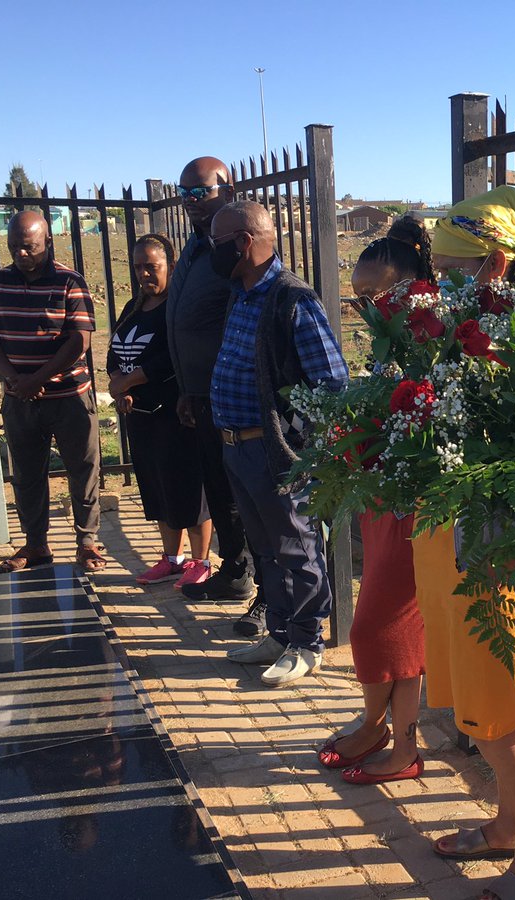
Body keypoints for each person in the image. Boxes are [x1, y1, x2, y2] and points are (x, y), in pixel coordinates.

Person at [416, 186, 515, 900]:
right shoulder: (450, 326)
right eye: (436, 265)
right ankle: (508, 824)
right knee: (475, 698)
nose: (439, 279)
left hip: (496, 544)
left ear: (496, 264)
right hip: (446, 532)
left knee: (503, 704)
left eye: (453, 267)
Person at [213, 200, 348, 686]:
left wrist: (299, 443)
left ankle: (307, 642)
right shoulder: (241, 292)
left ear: (245, 242)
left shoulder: (293, 299)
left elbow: (333, 383)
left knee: (296, 546)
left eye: (218, 242)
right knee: (265, 546)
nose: (212, 252)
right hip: (236, 447)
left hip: (275, 452)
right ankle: (279, 632)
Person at [319, 216, 434, 785]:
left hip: (414, 506)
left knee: (375, 628)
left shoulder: (434, 338)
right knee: (400, 632)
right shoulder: (396, 340)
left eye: (377, 294)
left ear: (414, 285)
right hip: (383, 500)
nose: (366, 307)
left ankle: (375, 727)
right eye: (358, 296)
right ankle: (397, 742)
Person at [166, 157, 262, 636]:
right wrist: (186, 388)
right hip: (200, 393)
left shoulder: (234, 249)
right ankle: (235, 570)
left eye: (198, 192)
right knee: (220, 491)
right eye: (182, 193)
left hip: (234, 399)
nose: (188, 202)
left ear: (228, 190)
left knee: (250, 497)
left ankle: (265, 587)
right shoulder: (194, 246)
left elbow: (236, 325)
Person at [0, 210, 106, 573]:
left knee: (83, 470)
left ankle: (87, 542)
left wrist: (40, 378)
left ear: (48, 242)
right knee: (27, 474)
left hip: (68, 396)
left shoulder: (70, 281)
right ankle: (36, 545)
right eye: (14, 247)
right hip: (20, 397)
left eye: (29, 247)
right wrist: (13, 378)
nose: (21, 254)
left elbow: (79, 340)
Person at [107, 233, 212, 591]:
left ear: (170, 265)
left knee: (189, 490)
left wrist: (130, 381)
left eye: (151, 266)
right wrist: (118, 385)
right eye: (138, 267)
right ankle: (172, 560)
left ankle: (201, 561)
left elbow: (170, 357)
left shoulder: (176, 309)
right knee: (158, 490)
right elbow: (114, 352)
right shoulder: (132, 308)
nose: (144, 274)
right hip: (141, 417)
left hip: (175, 415)